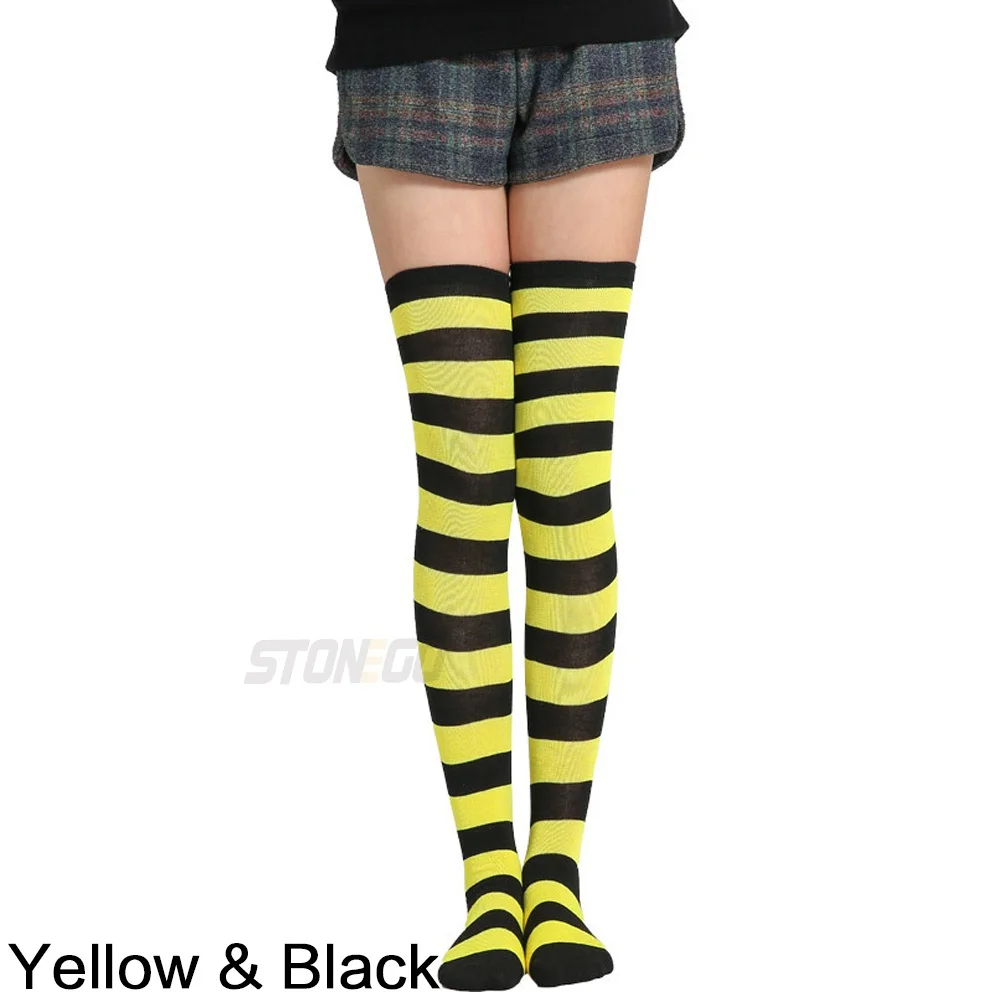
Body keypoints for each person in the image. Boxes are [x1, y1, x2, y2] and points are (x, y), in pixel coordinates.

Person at [324, 0, 689, 989]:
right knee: (465, 467)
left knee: (567, 470)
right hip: (410, 39)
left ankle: (555, 874)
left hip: (603, 32)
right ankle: (490, 882)